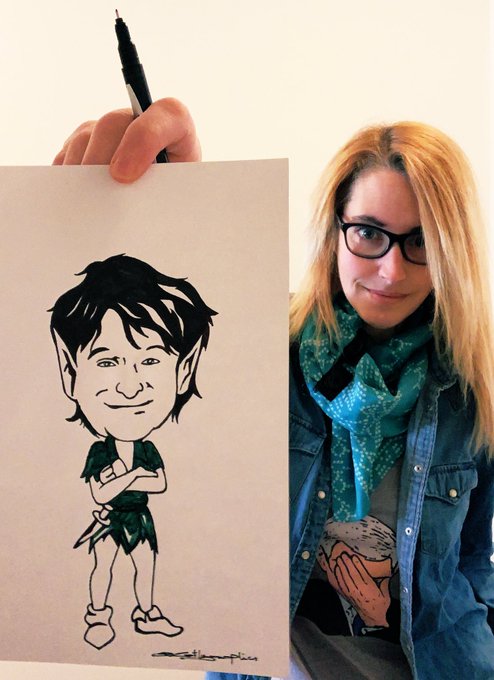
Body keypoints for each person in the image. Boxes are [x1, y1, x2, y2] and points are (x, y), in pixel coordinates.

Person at [54, 100, 494, 679]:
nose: (391, 270)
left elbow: (474, 558)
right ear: (335, 231)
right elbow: (184, 309)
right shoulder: (266, 352)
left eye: (420, 242)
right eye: (368, 233)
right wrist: (163, 199)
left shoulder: (473, 386)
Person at [50, 252, 216, 649]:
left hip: (139, 517)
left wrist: (127, 479)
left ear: (184, 370)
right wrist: (135, 478)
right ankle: (97, 615)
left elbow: (158, 483)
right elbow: (101, 493)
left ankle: (147, 614)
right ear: (70, 373)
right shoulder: (100, 450)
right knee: (103, 567)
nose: (130, 386)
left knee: (146, 565)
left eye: (150, 360)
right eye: (107, 362)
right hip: (110, 520)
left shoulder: (147, 448)